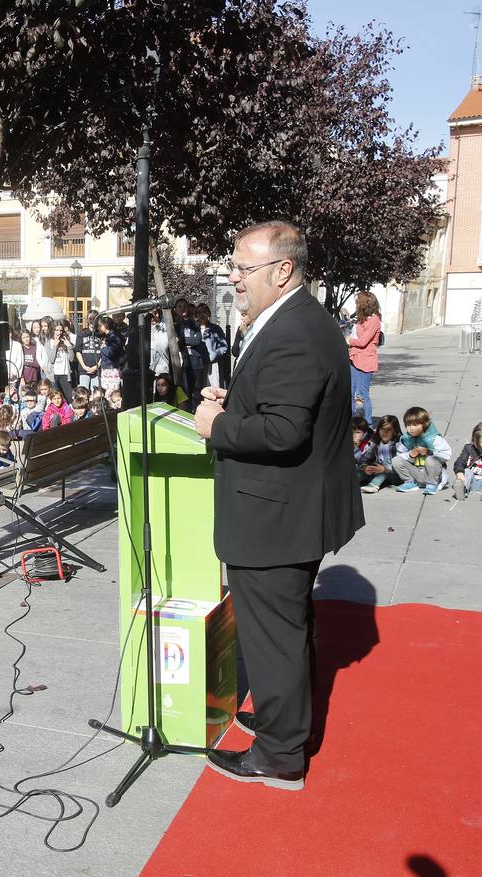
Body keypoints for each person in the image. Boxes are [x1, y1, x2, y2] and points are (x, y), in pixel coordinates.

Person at [193, 220, 363, 790]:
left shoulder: (293, 330)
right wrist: (234, 400)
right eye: (234, 268)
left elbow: (285, 430)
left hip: (276, 515)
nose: (235, 279)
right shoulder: (295, 320)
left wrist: (219, 424)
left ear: (282, 269)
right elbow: (278, 404)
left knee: (274, 633)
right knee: (286, 628)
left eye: (243, 269)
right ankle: (283, 721)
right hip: (288, 509)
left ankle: (279, 753)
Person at [392, 406, 453, 494]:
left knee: (430, 460)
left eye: (415, 425)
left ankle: (432, 484)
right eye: (408, 425)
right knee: (396, 461)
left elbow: (447, 454)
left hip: (431, 474)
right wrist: (410, 455)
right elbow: (399, 454)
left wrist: (429, 452)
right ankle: (410, 482)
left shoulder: (434, 438)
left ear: (424, 424)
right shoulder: (405, 439)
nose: (411, 428)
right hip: (415, 472)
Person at [346, 292, 381, 420]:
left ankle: (368, 425)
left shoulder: (374, 320)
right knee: (349, 393)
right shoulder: (362, 319)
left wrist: (349, 341)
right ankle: (350, 423)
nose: (356, 305)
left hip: (365, 361)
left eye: (358, 302)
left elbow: (363, 341)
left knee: (362, 395)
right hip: (354, 358)